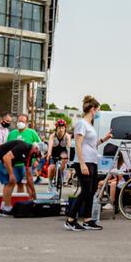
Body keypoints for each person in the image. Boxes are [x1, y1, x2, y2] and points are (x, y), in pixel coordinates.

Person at [67, 96, 104, 231]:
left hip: (92, 161)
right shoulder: (82, 123)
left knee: (92, 191)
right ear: (92, 110)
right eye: (98, 110)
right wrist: (82, 164)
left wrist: (104, 139)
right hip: (84, 161)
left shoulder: (90, 126)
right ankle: (70, 219)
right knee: (86, 191)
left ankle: (88, 220)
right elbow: (78, 144)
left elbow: (92, 144)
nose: (98, 113)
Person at [0, 137, 35, 217]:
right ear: (35, 148)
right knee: (11, 181)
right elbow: (6, 158)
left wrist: (33, 192)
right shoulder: (24, 146)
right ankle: (6, 208)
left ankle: (3, 208)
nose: (36, 155)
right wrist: (11, 174)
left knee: (9, 182)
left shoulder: (29, 154)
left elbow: (29, 176)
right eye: (37, 152)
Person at [6, 113, 41, 198]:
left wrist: (37, 160)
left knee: (28, 184)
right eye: (19, 121)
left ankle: (29, 202)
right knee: (19, 184)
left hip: (28, 164)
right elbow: (7, 148)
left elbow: (39, 147)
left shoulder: (32, 132)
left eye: (22, 121)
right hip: (15, 164)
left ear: (26, 123)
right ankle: (21, 202)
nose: (20, 123)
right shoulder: (12, 134)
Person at [46, 119, 71, 190]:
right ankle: (50, 182)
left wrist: (69, 157)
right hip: (54, 153)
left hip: (63, 153)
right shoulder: (52, 136)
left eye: (63, 128)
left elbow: (69, 147)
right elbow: (50, 146)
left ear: (65, 128)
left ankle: (60, 175)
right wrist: (49, 155)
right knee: (51, 168)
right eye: (59, 128)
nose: (61, 129)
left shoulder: (67, 136)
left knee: (64, 161)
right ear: (56, 128)